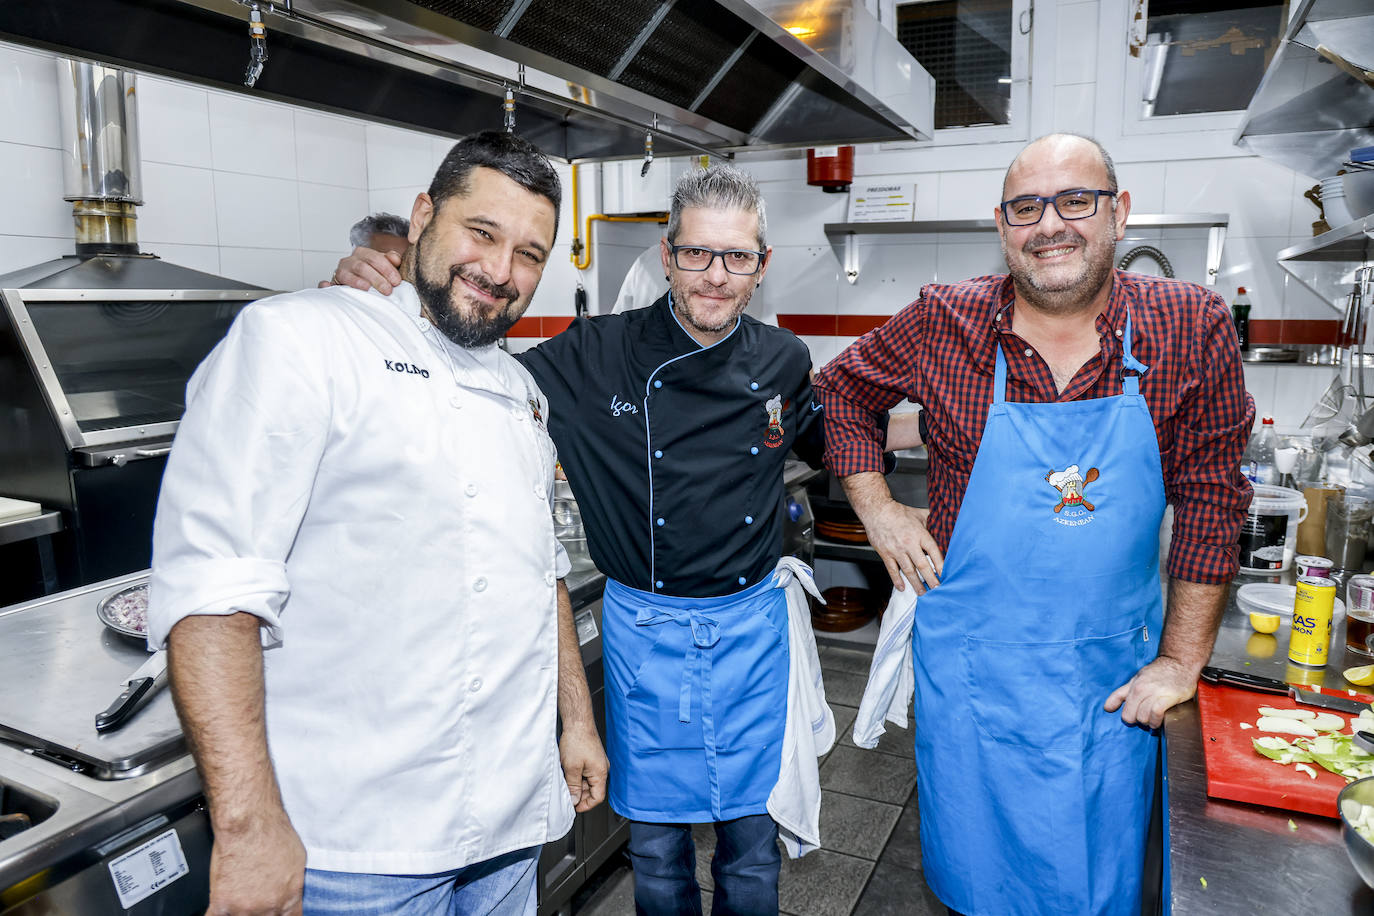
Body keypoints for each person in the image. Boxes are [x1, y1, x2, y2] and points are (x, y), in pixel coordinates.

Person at [333, 164, 922, 915]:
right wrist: (380, 308)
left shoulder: (781, 357)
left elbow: (828, 437)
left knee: (752, 846)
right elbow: (466, 376)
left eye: (737, 256)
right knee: (657, 852)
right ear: (668, 255)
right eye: (698, 253)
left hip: (752, 634)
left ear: (762, 265)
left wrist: (939, 427)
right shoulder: (593, 352)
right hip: (647, 635)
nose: (716, 276)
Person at [148, 131, 607, 916]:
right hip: (359, 846)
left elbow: (542, 573)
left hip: (511, 819)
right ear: (424, 216)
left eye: (529, 254)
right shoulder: (302, 337)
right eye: (482, 233)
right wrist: (249, 826)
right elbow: (213, 590)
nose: (501, 271)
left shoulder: (519, 390)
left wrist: (576, 721)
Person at [812, 133, 1254, 916]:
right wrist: (876, 508)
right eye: (1026, 208)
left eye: (1075, 201)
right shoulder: (945, 319)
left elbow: (1212, 501)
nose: (1050, 225)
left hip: (1110, 680)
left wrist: (1182, 660)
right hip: (974, 674)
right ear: (1002, 224)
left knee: (1096, 884)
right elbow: (841, 391)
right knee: (974, 884)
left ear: (1118, 213)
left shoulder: (1191, 324)